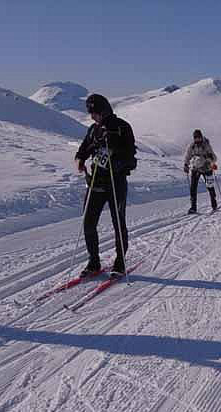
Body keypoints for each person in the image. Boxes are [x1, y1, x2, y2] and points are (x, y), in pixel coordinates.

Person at [75, 93, 136, 277]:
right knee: (88, 222)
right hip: (95, 182)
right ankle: (93, 262)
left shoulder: (122, 127)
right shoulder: (93, 130)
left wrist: (118, 162)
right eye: (91, 113)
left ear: (104, 110)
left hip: (115, 182)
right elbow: (83, 149)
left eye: (95, 113)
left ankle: (120, 262)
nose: (93, 116)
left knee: (118, 223)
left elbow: (131, 158)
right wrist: (79, 159)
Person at [183, 129, 218, 213]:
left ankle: (214, 204)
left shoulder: (206, 145)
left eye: (199, 137)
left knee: (210, 187)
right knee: (193, 188)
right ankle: (193, 207)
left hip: (207, 168)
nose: (197, 139)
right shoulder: (192, 146)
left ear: (201, 137)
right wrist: (186, 165)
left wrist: (210, 159)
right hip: (196, 168)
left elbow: (214, 157)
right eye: (196, 138)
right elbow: (187, 156)